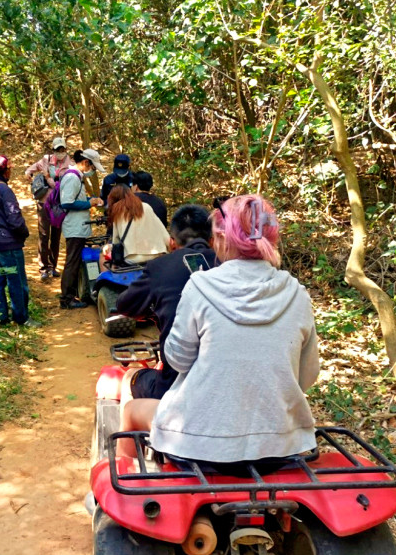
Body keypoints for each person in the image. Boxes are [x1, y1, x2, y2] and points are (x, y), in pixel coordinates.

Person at [119, 194, 320, 462]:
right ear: (271, 237)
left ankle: (134, 487)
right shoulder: (297, 293)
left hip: (197, 446)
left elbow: (178, 361)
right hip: (281, 448)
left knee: (131, 409)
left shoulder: (200, 286)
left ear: (221, 239)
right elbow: (307, 375)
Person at [115, 205, 218, 407]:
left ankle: (130, 434)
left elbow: (125, 305)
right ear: (212, 240)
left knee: (129, 379)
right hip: (223, 387)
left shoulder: (160, 267)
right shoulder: (228, 265)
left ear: (172, 243)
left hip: (175, 387)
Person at [0, 155, 39, 327]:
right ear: (4, 171)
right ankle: (21, 318)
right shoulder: (4, 190)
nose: (11, 171)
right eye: (10, 168)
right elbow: (14, 219)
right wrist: (24, 232)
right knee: (16, 282)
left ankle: (0, 317)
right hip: (10, 246)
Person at [59, 148, 105, 309]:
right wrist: (89, 203)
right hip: (74, 227)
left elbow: (75, 198)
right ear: (86, 163)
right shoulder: (72, 177)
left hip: (78, 226)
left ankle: (71, 295)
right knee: (72, 262)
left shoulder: (77, 177)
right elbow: (66, 202)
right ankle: (66, 299)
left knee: (75, 260)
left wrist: (90, 199)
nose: (92, 171)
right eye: (92, 168)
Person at [25, 137, 74, 280]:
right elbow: (30, 169)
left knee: (56, 235)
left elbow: (59, 185)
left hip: (58, 203)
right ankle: (43, 268)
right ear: (53, 150)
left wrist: (47, 177)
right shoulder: (45, 160)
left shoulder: (69, 164)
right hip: (44, 202)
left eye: (62, 149)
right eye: (57, 150)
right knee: (44, 234)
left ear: (65, 149)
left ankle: (53, 266)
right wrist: (29, 174)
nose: (60, 152)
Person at [104, 183, 170, 266]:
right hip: (157, 256)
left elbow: (116, 241)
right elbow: (164, 234)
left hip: (132, 259)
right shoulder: (146, 207)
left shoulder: (117, 211)